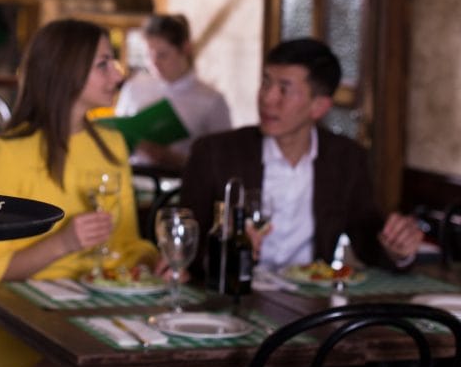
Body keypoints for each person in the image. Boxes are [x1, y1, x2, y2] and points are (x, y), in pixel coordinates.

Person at [0, 19, 157, 367]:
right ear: (65, 70)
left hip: (103, 312)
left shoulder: (111, 144)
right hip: (23, 323)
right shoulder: (7, 153)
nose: (117, 74)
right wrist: (64, 242)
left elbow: (127, 244)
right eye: (103, 64)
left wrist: (153, 262)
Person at [181, 38, 423, 274]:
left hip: (310, 301)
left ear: (318, 107)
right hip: (234, 292)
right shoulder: (215, 153)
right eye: (266, 83)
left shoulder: (345, 159)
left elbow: (368, 241)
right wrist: (225, 248)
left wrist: (398, 249)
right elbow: (186, 243)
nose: (268, 99)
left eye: (284, 89)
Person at [115, 13, 232, 170]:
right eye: (149, 55)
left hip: (182, 185)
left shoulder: (211, 100)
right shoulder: (134, 87)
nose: (154, 63)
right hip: (134, 178)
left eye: (162, 55)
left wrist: (175, 159)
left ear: (185, 49)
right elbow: (116, 137)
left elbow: (223, 160)